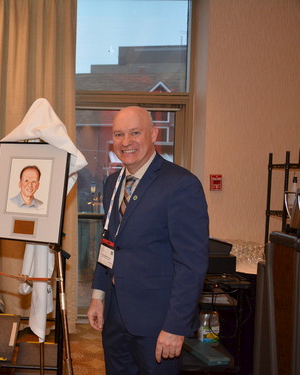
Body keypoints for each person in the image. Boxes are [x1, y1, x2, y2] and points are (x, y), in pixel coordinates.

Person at [87, 106, 209, 374]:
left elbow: (191, 264)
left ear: (154, 134)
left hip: (158, 323)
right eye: (119, 134)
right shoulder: (112, 183)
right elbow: (109, 241)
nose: (126, 142)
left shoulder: (180, 184)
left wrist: (176, 326)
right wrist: (98, 295)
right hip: (116, 316)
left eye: (135, 133)